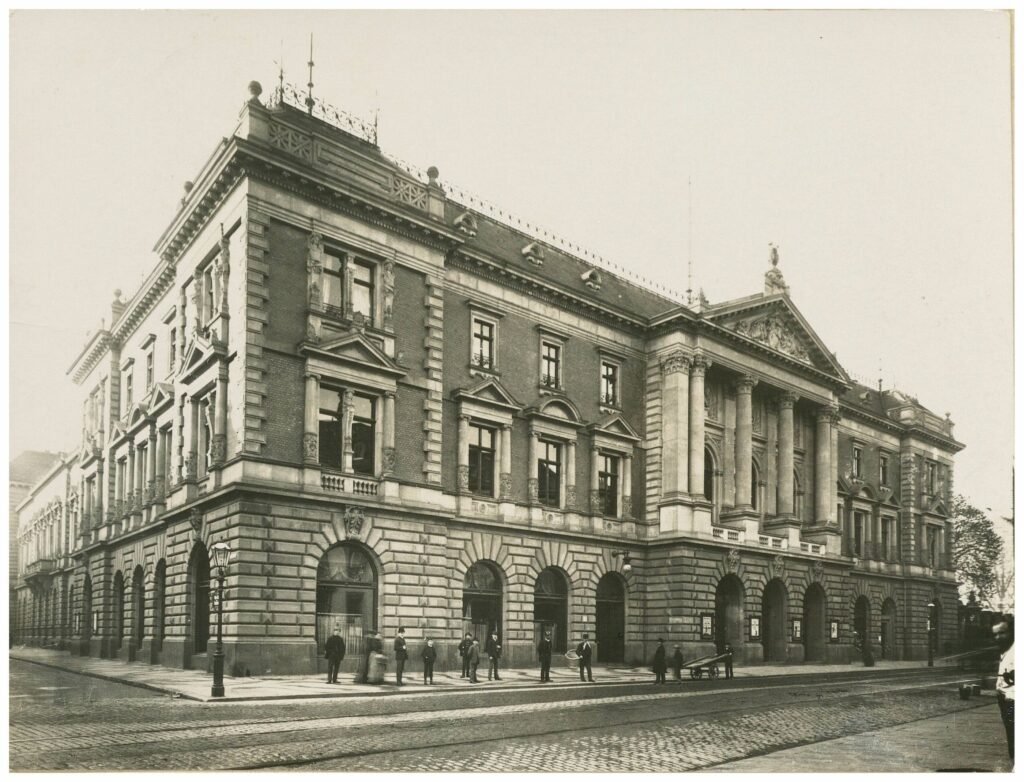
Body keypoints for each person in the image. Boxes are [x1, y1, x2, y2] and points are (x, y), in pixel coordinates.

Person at [994, 617, 1014, 760]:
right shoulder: (1004, 651)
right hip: (1004, 698)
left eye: (1002, 633)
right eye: (995, 634)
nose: (998, 637)